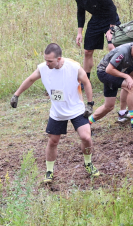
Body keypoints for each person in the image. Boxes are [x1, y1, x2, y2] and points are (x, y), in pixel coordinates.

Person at [10, 43, 98, 184]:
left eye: (50, 61)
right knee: (53, 141)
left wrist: (90, 104)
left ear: (59, 59)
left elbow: (86, 82)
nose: (47, 63)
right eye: (45, 60)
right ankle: (49, 171)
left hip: (76, 109)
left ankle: (88, 163)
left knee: (86, 137)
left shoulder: (73, 67)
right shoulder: (43, 68)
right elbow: (30, 79)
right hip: (57, 112)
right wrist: (16, 95)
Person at [90, 38, 133, 128]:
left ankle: (87, 123)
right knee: (132, 87)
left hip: (117, 71)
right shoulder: (123, 52)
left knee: (109, 106)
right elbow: (109, 69)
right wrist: (127, 76)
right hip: (104, 72)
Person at [70, 0, 120, 70]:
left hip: (110, 20)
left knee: (112, 48)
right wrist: (79, 33)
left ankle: (116, 74)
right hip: (96, 20)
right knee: (87, 51)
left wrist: (111, 29)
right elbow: (81, 14)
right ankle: (86, 78)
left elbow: (112, 9)